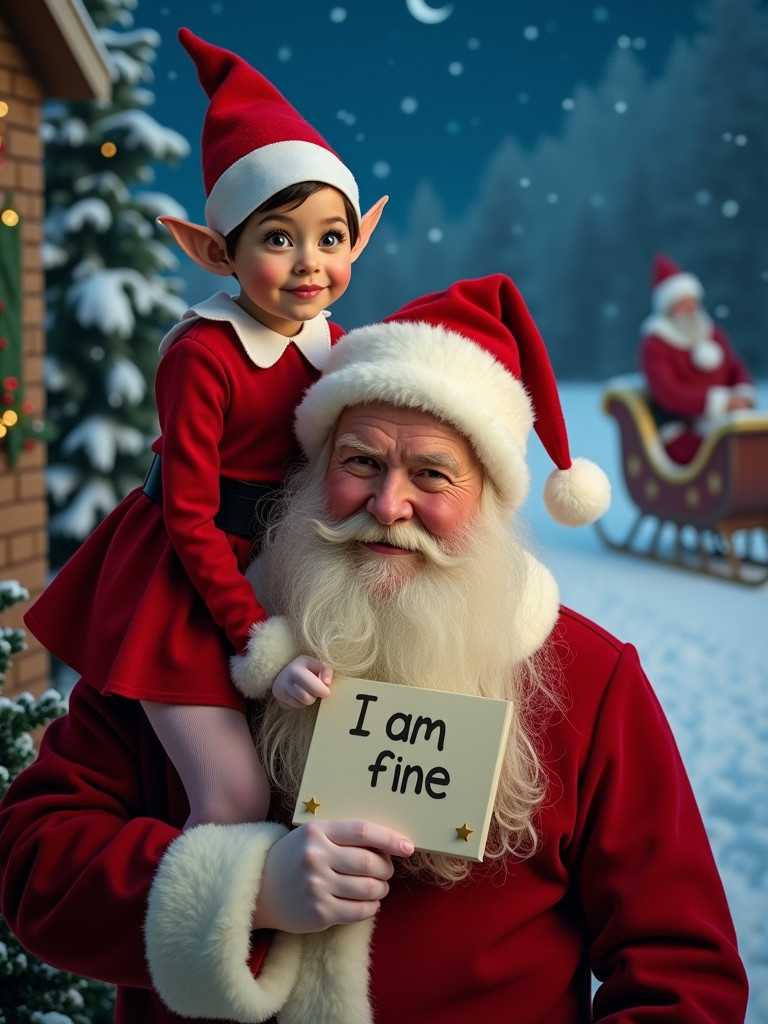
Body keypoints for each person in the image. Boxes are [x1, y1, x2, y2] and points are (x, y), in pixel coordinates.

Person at [0, 274, 748, 1023]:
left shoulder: (589, 676)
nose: (388, 506)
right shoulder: (175, 638)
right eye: (360, 462)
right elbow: (35, 862)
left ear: (488, 498)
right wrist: (245, 888)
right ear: (312, 472)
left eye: (431, 474)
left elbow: (678, 966)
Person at [20, 29, 385, 831]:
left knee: (305, 777)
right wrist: (257, 635)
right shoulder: (203, 355)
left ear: (357, 238)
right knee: (234, 796)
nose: (309, 265)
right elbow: (188, 515)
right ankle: (210, 940)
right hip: (192, 581)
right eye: (279, 240)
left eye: (330, 238)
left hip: (283, 562)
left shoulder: (334, 342)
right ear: (219, 250)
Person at [639, 252, 757, 463]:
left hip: (724, 418)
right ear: (669, 308)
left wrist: (743, 394)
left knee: (754, 440)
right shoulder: (656, 342)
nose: (691, 309)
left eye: (692, 302)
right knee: (725, 451)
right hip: (680, 426)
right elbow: (668, 392)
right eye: (683, 304)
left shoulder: (712, 333)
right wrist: (720, 402)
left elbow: (735, 368)